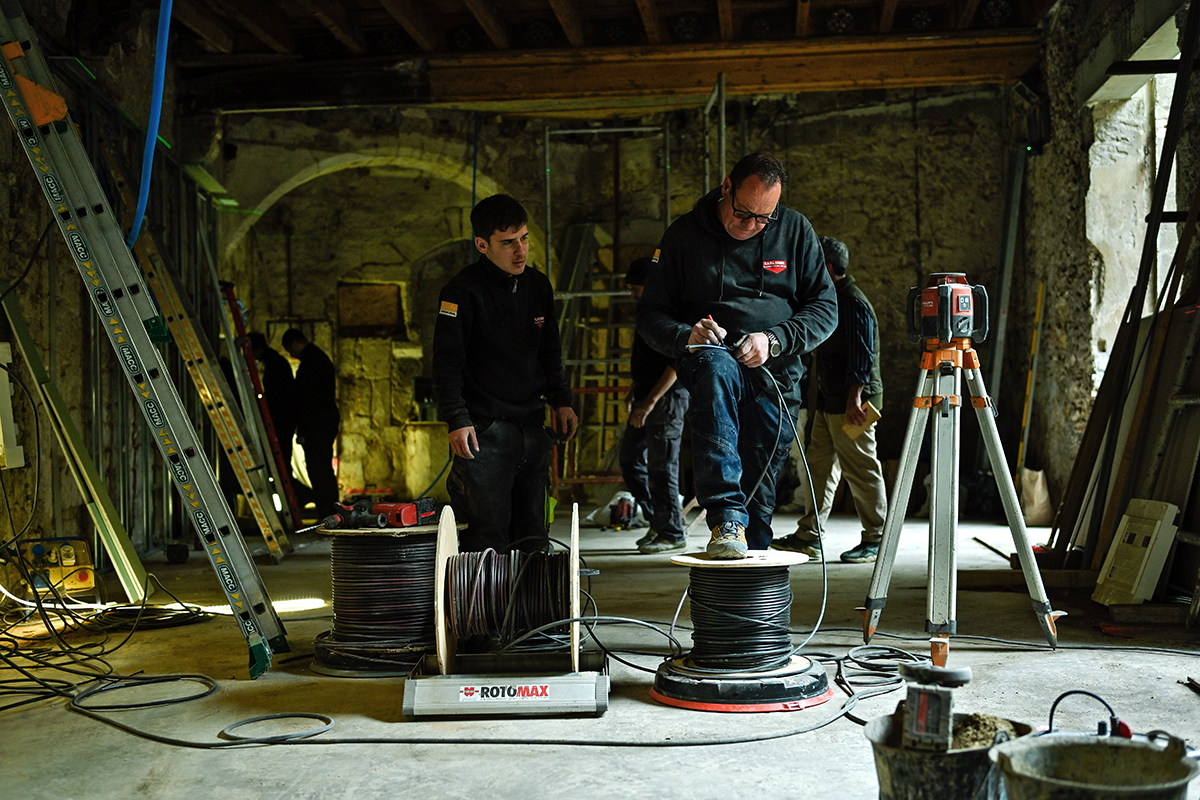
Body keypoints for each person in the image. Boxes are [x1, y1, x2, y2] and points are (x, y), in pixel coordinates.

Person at [637, 152, 837, 559]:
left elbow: (825, 307)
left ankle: (754, 609)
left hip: (775, 375)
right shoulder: (683, 237)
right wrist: (685, 335)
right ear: (726, 187)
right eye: (744, 213)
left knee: (760, 506)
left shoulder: (795, 230)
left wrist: (775, 339)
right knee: (714, 366)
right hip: (711, 360)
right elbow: (650, 315)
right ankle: (725, 515)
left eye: (764, 218)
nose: (751, 226)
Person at [432, 193, 579, 554]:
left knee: (533, 538)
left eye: (525, 238)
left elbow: (550, 351)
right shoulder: (460, 292)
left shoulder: (537, 286)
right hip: (484, 432)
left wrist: (561, 401)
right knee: (487, 538)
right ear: (482, 244)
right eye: (508, 242)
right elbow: (446, 362)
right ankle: (484, 611)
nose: (520, 251)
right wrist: (456, 418)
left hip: (532, 427)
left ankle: (534, 613)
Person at [771, 236, 888, 563]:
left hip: (854, 404)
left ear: (828, 268)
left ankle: (877, 538)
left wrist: (855, 399)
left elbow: (862, 357)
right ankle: (810, 536)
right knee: (819, 467)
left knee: (861, 468)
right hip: (830, 402)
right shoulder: (830, 299)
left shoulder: (852, 301)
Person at [618, 256, 691, 555]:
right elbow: (646, 359)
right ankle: (658, 520)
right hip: (646, 397)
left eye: (636, 288)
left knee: (662, 467)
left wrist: (648, 403)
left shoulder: (670, 313)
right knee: (630, 459)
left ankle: (672, 532)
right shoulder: (647, 313)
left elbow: (674, 365)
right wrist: (635, 390)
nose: (633, 294)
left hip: (666, 399)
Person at [281, 328, 340, 516]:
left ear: (296, 345)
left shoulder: (310, 363)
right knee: (323, 469)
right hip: (324, 423)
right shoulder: (318, 359)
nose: (292, 355)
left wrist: (304, 431)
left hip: (317, 426)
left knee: (318, 470)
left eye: (291, 350)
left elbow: (308, 401)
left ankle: (327, 511)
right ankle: (331, 510)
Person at [248, 331, 297, 476]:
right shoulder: (275, 362)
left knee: (280, 461)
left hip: (281, 420)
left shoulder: (274, 364)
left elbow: (276, 395)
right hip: (283, 420)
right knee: (281, 460)